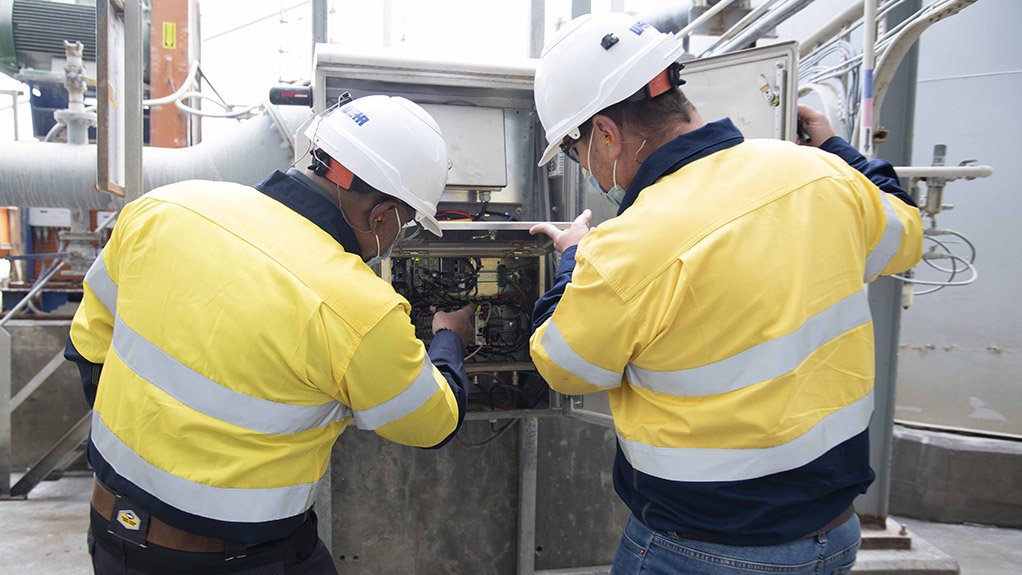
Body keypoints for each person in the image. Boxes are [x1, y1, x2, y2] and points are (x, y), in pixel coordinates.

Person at [528, 13, 923, 575]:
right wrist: (836, 145)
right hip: (832, 536)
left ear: (607, 135)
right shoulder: (819, 173)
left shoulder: (624, 248)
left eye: (575, 149)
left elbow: (565, 367)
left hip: (701, 550)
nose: (585, 165)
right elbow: (905, 231)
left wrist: (572, 258)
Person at [64, 94, 475, 574]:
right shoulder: (360, 310)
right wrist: (449, 338)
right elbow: (431, 425)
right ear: (381, 215)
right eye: (404, 224)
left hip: (111, 536)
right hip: (235, 560)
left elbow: (88, 350)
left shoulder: (163, 208)